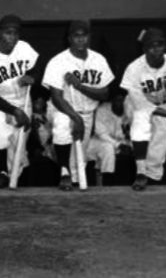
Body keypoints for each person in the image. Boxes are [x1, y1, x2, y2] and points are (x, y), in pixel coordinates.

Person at [42, 21, 114, 190]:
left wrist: (80, 85)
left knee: (78, 161)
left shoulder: (98, 60)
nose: (80, 39)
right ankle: (64, 172)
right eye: (76, 36)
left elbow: (104, 94)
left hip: (88, 112)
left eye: (84, 35)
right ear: (69, 38)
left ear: (89, 37)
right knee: (61, 124)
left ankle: (70, 183)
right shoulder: (58, 61)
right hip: (62, 109)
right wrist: (76, 118)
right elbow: (57, 97)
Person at [120, 28, 166, 191]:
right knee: (141, 121)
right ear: (144, 49)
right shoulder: (134, 68)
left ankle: (150, 176)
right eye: (151, 46)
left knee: (161, 136)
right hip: (137, 103)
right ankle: (140, 173)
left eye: (159, 45)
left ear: (165, 46)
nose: (155, 49)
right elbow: (139, 103)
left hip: (163, 102)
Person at [0, 15, 38, 189]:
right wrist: (16, 112)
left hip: (22, 99)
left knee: (18, 147)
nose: (13, 37)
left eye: (16, 33)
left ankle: (15, 182)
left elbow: (35, 70)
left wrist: (31, 77)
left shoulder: (24, 48)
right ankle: (2, 172)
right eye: (8, 33)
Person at [87, 91, 132, 186]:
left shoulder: (131, 110)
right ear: (112, 101)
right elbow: (101, 133)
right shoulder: (103, 109)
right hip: (100, 141)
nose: (120, 103)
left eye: (122, 101)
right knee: (107, 148)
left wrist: (131, 146)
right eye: (117, 100)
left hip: (122, 143)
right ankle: (108, 181)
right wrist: (118, 145)